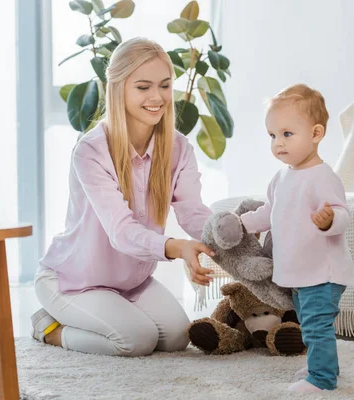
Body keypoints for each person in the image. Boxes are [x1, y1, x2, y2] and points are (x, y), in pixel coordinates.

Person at [30, 37, 216, 357]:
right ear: (118, 89)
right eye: (143, 87)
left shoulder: (179, 147)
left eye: (165, 85)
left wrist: (230, 236)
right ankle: (51, 328)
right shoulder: (91, 150)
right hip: (74, 280)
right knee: (136, 340)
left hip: (132, 283)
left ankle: (111, 313)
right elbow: (121, 231)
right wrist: (177, 248)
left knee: (177, 338)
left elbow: (193, 212)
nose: (157, 97)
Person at [239, 84, 354, 392]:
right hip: (301, 275)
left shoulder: (322, 176)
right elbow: (268, 212)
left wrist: (330, 219)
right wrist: (242, 225)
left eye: (287, 134)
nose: (278, 143)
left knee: (317, 327)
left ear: (316, 134)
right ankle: (326, 366)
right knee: (310, 326)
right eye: (272, 135)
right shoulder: (281, 178)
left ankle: (322, 378)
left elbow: (343, 213)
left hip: (323, 273)